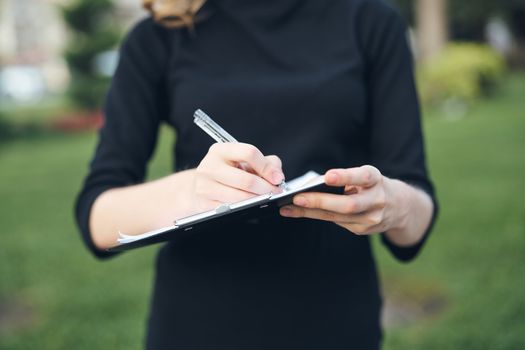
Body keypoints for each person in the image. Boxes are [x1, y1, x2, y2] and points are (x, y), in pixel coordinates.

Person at [75, 0, 438, 349]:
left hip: (335, 321)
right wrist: (190, 192)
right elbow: (97, 219)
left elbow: (414, 224)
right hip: (198, 326)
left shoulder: (372, 22)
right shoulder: (159, 35)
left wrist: (394, 204)